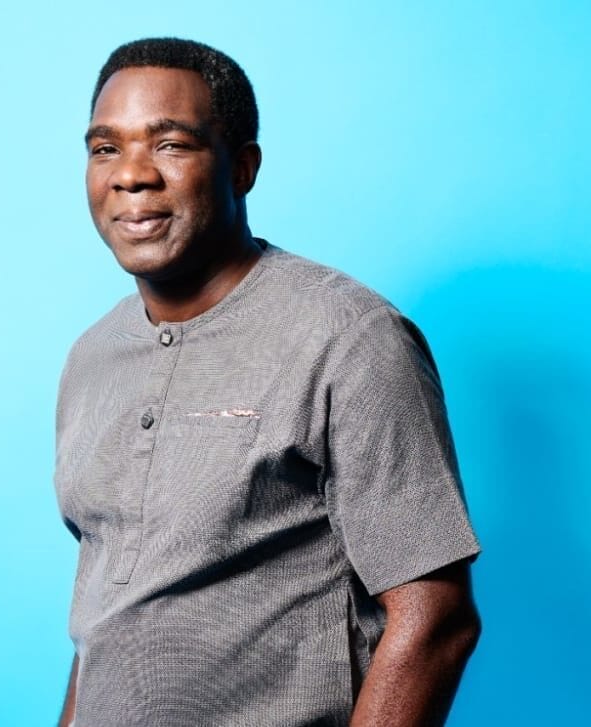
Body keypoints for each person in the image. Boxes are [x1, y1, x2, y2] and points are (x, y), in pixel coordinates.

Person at [54, 37, 481, 727]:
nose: (131, 175)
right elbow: (106, 619)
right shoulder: (90, 358)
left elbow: (435, 619)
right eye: (105, 148)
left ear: (242, 167)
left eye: (171, 145)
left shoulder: (349, 336)